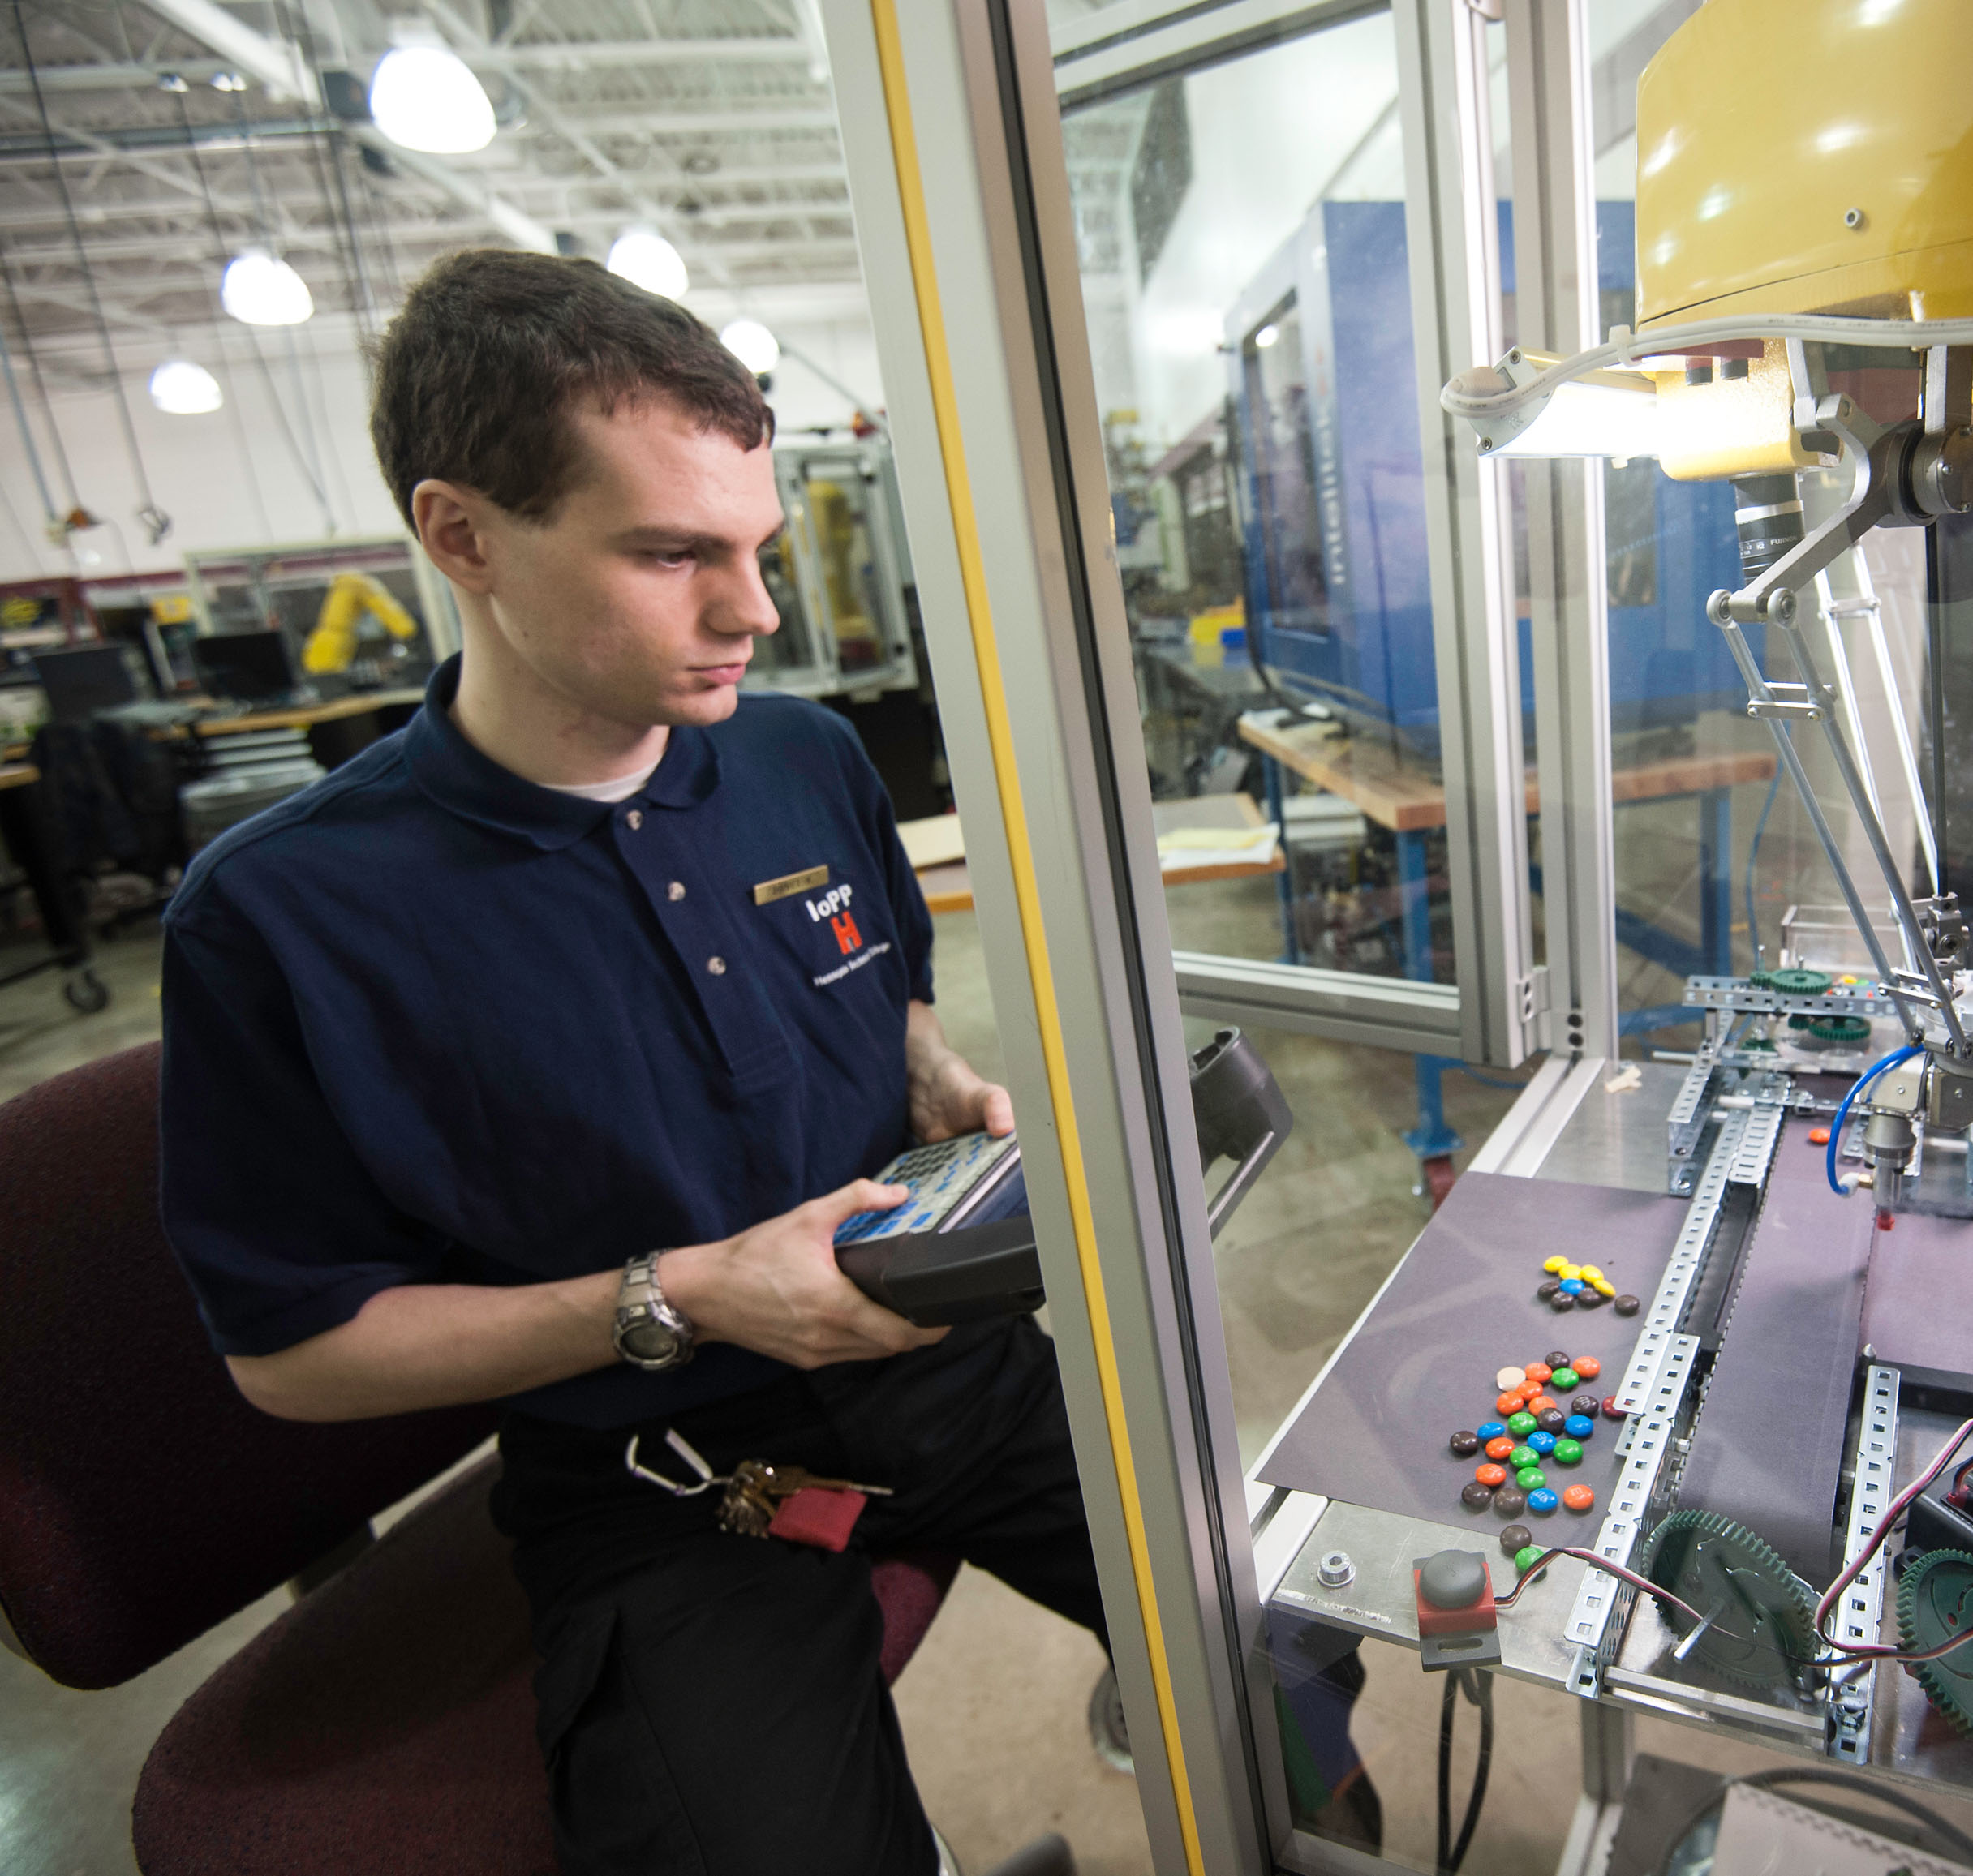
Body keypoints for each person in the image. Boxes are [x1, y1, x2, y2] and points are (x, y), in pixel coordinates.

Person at [157, 250, 1375, 1872]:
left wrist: (927, 1068)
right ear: (461, 536)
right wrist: (679, 1295)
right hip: (670, 1469)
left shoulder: (800, 756)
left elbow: (888, 989)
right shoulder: (285, 912)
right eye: (672, 553)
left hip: (946, 1361)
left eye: (756, 547)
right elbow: (287, 1357)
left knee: (1289, 1639)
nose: (754, 611)